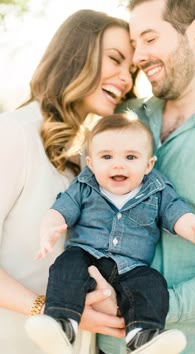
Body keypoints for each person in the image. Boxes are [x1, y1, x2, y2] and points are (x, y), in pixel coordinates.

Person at [96, 1, 195, 354]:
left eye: (149, 38)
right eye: (134, 44)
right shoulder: (125, 115)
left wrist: (141, 308)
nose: (138, 56)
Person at [0, 9, 136, 354]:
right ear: (77, 54)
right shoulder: (14, 135)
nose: (127, 79)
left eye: (131, 70)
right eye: (116, 60)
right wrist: (49, 310)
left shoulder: (81, 160)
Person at [25, 113, 195, 354]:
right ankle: (61, 325)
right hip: (86, 254)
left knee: (152, 283)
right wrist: (49, 227)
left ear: (148, 164)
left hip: (132, 267)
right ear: (91, 163)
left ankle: (144, 337)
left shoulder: (157, 189)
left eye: (130, 157)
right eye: (107, 157)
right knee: (66, 266)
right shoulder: (85, 184)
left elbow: (176, 212)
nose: (118, 164)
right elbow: (62, 208)